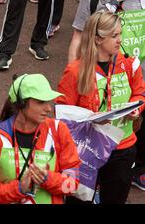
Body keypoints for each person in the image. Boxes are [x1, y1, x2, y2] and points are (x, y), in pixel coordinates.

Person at [57, 11, 145, 203]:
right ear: (97, 39)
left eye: (120, 34)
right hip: (86, 150)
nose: (120, 40)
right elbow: (62, 114)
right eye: (114, 36)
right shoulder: (75, 71)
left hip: (122, 147)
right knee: (77, 200)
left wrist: (136, 109)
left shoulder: (130, 64)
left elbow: (139, 93)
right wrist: (92, 119)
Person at [0, 73, 80, 204]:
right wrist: (18, 188)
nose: (49, 108)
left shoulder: (59, 131)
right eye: (40, 102)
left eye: (48, 102)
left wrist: (47, 179)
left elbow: (72, 186)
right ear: (21, 103)